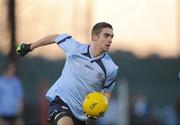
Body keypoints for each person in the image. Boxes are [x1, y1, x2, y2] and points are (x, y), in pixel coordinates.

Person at [16, 22, 119, 125]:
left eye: (111, 36)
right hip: (61, 101)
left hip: (82, 113)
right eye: (106, 35)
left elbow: (106, 93)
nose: (110, 40)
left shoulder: (111, 68)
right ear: (94, 37)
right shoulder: (75, 49)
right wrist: (30, 46)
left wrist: (101, 107)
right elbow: (55, 37)